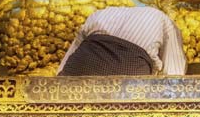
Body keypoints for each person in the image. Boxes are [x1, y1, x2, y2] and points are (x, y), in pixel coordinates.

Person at [57, 6, 186, 76]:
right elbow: (174, 73)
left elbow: (73, 51)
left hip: (81, 66)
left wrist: (59, 78)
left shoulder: (100, 13)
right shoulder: (165, 21)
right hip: (130, 69)